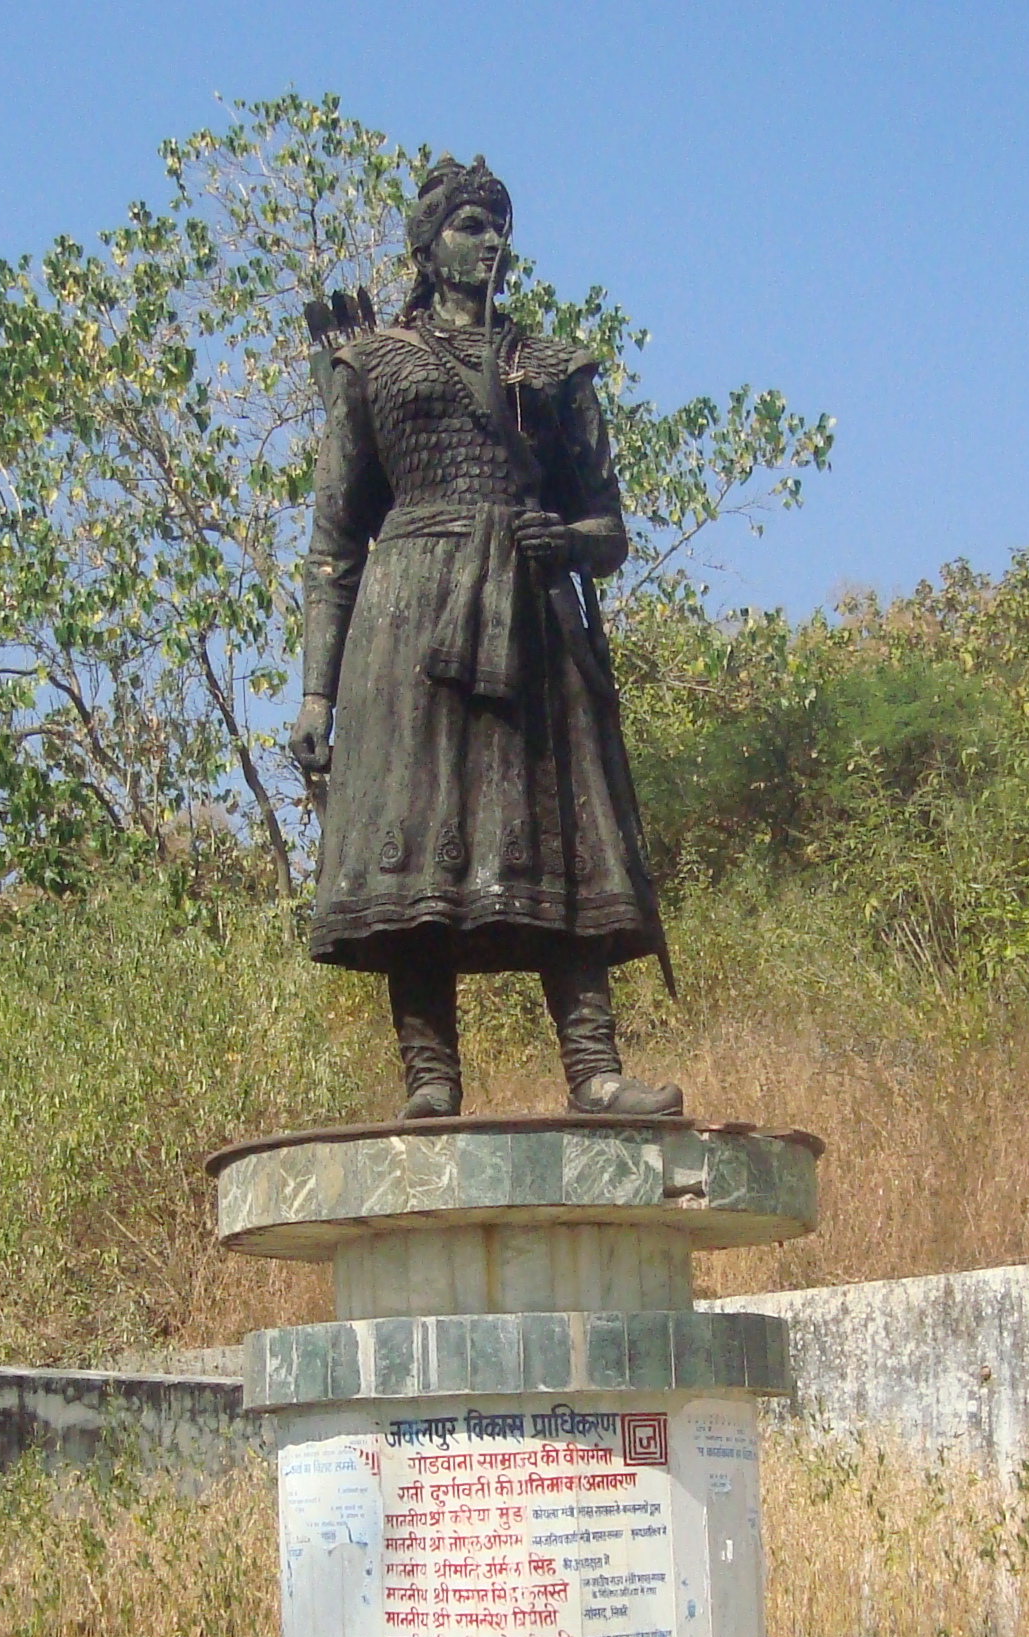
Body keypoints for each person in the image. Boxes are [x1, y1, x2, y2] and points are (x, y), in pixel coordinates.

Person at [286, 157, 682, 1121]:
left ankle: (593, 1070)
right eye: (470, 225)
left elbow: (613, 533)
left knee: (564, 837)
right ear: (426, 246)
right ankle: (430, 1080)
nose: (491, 241)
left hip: (533, 623)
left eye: (500, 224)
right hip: (408, 622)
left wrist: (567, 538)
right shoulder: (370, 365)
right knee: (413, 851)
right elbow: (335, 541)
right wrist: (315, 693)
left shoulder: (553, 368)